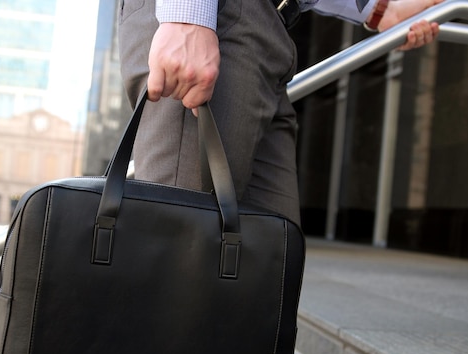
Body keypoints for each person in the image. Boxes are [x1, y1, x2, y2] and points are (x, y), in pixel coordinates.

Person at [118, 0, 443, 223]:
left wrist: (380, 10)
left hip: (269, 29)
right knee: (180, 248)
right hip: (214, 17)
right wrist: (187, 15)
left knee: (269, 264)